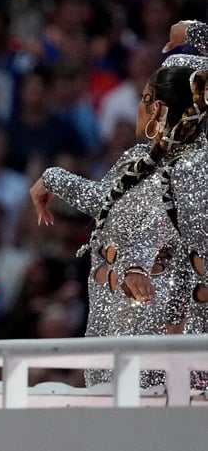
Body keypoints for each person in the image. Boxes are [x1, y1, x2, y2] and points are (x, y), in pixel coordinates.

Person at [29, 64, 208, 389]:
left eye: (143, 99)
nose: (138, 107)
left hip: (137, 318)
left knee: (126, 426)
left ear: (158, 109)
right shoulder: (196, 161)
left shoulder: (153, 162)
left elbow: (109, 205)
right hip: (174, 321)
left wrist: (53, 178)